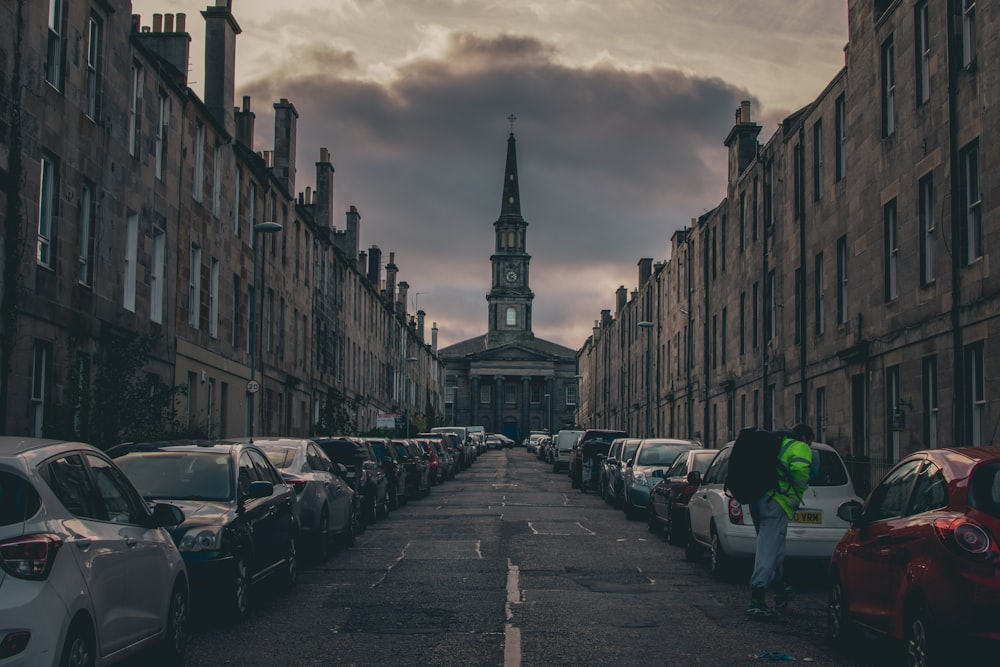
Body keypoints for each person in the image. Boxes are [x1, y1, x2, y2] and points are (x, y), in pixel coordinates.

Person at [746, 423, 815, 617]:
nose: (810, 446)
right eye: (810, 442)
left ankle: (779, 589)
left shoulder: (777, 444)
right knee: (768, 548)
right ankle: (757, 598)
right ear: (805, 437)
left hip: (757, 499)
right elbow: (801, 471)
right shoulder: (799, 446)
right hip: (776, 502)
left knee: (774, 547)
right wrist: (798, 494)